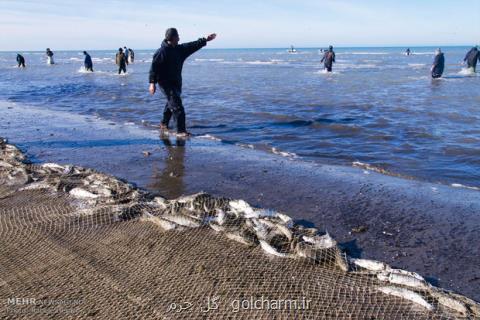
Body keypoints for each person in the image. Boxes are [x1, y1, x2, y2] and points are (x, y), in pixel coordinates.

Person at [149, 28, 217, 137]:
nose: (179, 38)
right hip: (165, 83)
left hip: (176, 82)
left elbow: (192, 45)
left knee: (171, 103)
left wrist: (205, 40)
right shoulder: (161, 52)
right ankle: (180, 131)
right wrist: (152, 83)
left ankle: (164, 123)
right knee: (177, 106)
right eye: (178, 36)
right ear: (172, 38)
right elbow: (154, 68)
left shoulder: (179, 50)